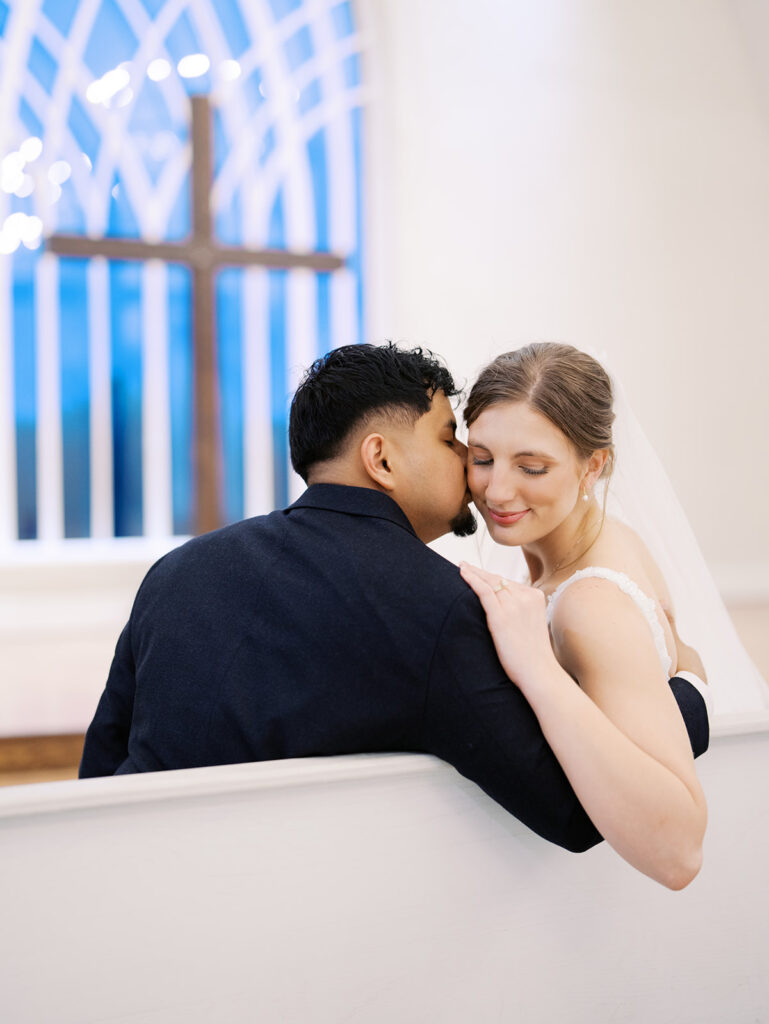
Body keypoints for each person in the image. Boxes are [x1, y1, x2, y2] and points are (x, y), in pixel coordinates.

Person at [80, 342, 709, 878]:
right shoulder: (440, 606)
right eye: (457, 444)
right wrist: (689, 696)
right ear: (381, 459)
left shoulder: (176, 571)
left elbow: (102, 767)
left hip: (131, 881)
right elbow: (573, 813)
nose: (476, 474)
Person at [459, 342, 719, 888]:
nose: (496, 490)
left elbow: (680, 855)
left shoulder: (588, 605)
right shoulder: (593, 540)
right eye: (480, 458)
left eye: (532, 467)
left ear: (592, 465)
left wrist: (536, 666)